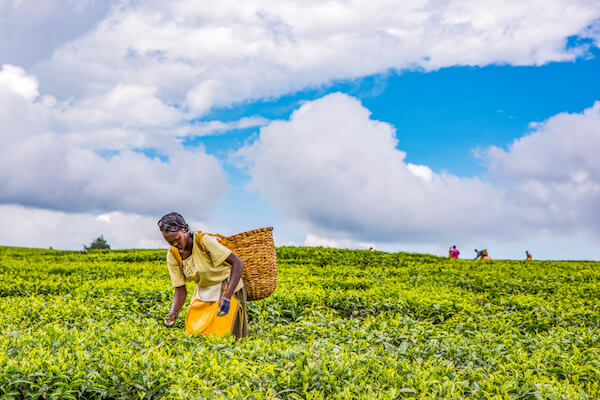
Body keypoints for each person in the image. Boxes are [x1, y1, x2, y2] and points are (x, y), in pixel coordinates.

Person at [158, 212, 248, 339]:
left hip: (227, 288)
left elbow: (237, 263)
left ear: (184, 229)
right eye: (170, 242)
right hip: (203, 291)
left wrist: (227, 297)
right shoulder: (173, 254)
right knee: (195, 334)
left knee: (224, 336)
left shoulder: (203, 241)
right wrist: (173, 313)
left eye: (177, 239)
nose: (174, 244)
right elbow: (180, 288)